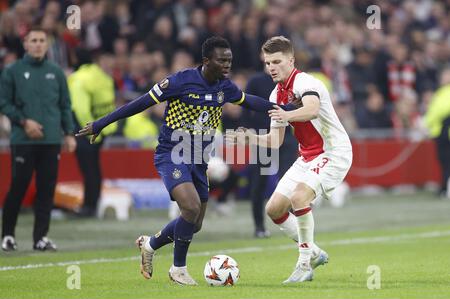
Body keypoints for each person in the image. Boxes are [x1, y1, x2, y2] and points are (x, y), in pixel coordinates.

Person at [76, 36, 296, 285]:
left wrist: (286, 109)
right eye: (221, 60)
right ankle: (178, 269)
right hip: (172, 154)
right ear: (206, 61)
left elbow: (250, 102)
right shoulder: (180, 81)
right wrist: (100, 123)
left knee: (195, 223)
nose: (226, 65)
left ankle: (150, 244)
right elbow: (140, 103)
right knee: (190, 208)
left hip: (200, 159)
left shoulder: (225, 87)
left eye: (229, 61)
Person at [226, 36, 353, 283]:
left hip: (334, 151)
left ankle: (305, 263)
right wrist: (250, 137)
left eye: (276, 61)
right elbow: (276, 140)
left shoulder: (305, 81)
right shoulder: (276, 94)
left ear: (291, 60)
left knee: (298, 198)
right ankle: (314, 251)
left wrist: (286, 113)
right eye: (267, 62)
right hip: (308, 157)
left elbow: (312, 109)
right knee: (273, 209)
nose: (271, 67)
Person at [0, 27, 76, 251]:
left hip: (51, 140)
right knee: (18, 187)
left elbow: (65, 105)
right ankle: (7, 235)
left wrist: (69, 133)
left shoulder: (56, 72)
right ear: (25, 44)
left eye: (42, 40)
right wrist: (25, 122)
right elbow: (4, 103)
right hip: (23, 140)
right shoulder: (12, 71)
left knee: (46, 190)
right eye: (33, 40)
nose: (38, 44)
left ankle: (40, 238)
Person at [244, 70, 298, 238]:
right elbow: (246, 106)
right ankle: (259, 226)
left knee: (290, 180)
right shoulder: (256, 81)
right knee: (259, 181)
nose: (273, 64)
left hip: (287, 135)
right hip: (263, 135)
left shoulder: (293, 81)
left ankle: (294, 224)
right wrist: (248, 129)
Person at [68, 50, 118, 217]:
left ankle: (89, 207)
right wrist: (103, 129)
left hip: (87, 130)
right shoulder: (101, 77)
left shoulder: (79, 78)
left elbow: (80, 109)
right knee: (93, 169)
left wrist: (91, 131)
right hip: (99, 129)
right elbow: (108, 105)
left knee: (89, 169)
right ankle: (92, 204)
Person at [424, 67, 450, 198]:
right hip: (441, 132)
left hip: (444, 133)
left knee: (446, 162)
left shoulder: (444, 92)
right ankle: (444, 187)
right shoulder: (441, 92)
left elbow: (437, 111)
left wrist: (426, 123)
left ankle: (445, 188)